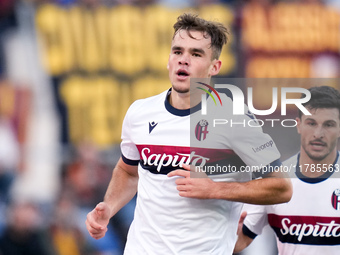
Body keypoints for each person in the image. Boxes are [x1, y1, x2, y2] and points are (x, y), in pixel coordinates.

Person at [86, 13, 292, 254]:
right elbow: (128, 171)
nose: (184, 60)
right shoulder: (140, 113)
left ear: (214, 66)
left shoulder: (234, 118)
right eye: (177, 51)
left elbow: (282, 187)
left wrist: (215, 189)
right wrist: (109, 207)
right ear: (169, 60)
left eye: (195, 54)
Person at [234, 86, 340, 255]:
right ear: (298, 125)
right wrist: (229, 234)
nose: (318, 133)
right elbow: (239, 242)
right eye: (311, 123)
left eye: (329, 124)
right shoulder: (275, 182)